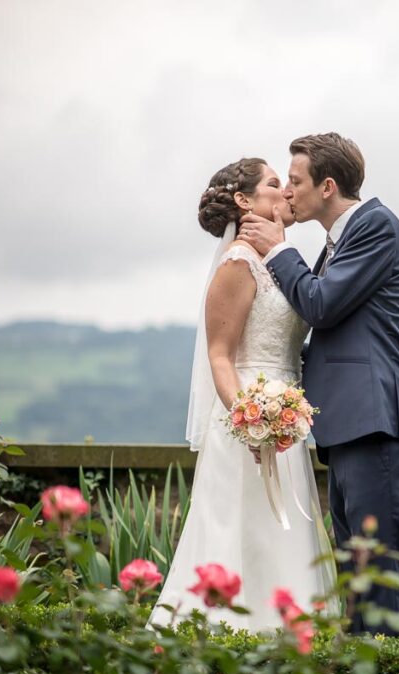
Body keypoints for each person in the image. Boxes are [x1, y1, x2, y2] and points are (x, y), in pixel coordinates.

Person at [238, 133, 399, 635]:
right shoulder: (335, 243)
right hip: (348, 430)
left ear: (326, 186)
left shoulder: (376, 227)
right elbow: (332, 335)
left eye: (294, 182)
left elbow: (321, 306)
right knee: (358, 584)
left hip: (379, 427)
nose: (286, 194)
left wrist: (279, 251)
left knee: (379, 581)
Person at [149, 158, 334, 632]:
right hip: (247, 428)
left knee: (281, 544)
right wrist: (250, 421)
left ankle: (286, 644)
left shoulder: (279, 263)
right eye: (275, 184)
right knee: (239, 538)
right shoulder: (237, 263)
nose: (287, 192)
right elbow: (219, 358)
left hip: (285, 425)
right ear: (244, 201)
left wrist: (281, 420)